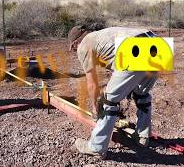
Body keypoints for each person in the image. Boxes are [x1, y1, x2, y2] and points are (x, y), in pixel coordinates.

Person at [68, 25, 158, 158]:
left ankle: (96, 147)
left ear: (76, 42)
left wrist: (95, 107)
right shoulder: (102, 35)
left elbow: (92, 84)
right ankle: (143, 136)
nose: (76, 50)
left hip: (134, 48)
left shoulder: (84, 45)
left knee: (108, 102)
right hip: (157, 43)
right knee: (141, 94)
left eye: (74, 47)